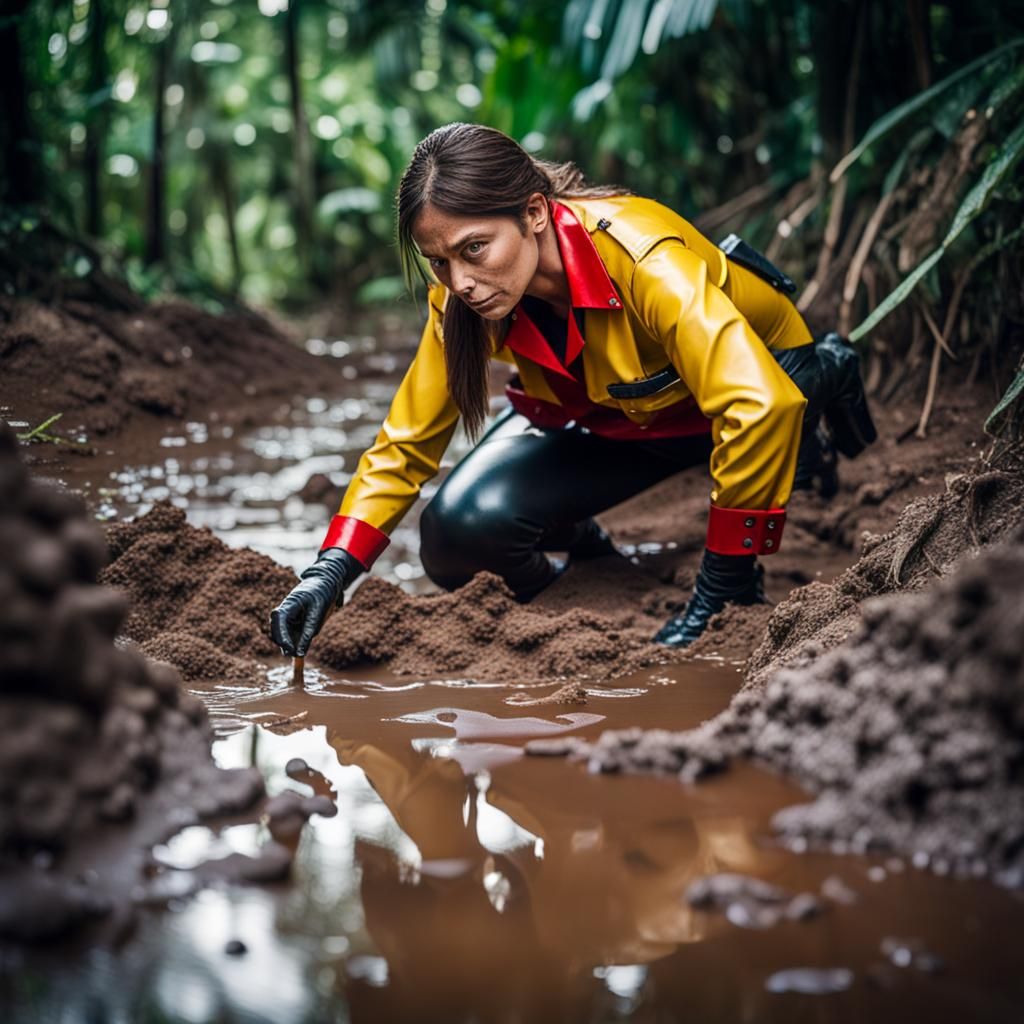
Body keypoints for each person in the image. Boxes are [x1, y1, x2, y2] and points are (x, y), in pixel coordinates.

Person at [270, 122, 875, 658]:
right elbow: (405, 442)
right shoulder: (459, 299)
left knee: (773, 405)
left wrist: (724, 585)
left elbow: (756, 400)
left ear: (534, 212)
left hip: (740, 398)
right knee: (457, 536)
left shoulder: (643, 258)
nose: (463, 282)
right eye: (440, 262)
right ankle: (589, 550)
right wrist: (329, 572)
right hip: (613, 416)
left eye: (474, 249)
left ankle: (824, 375)